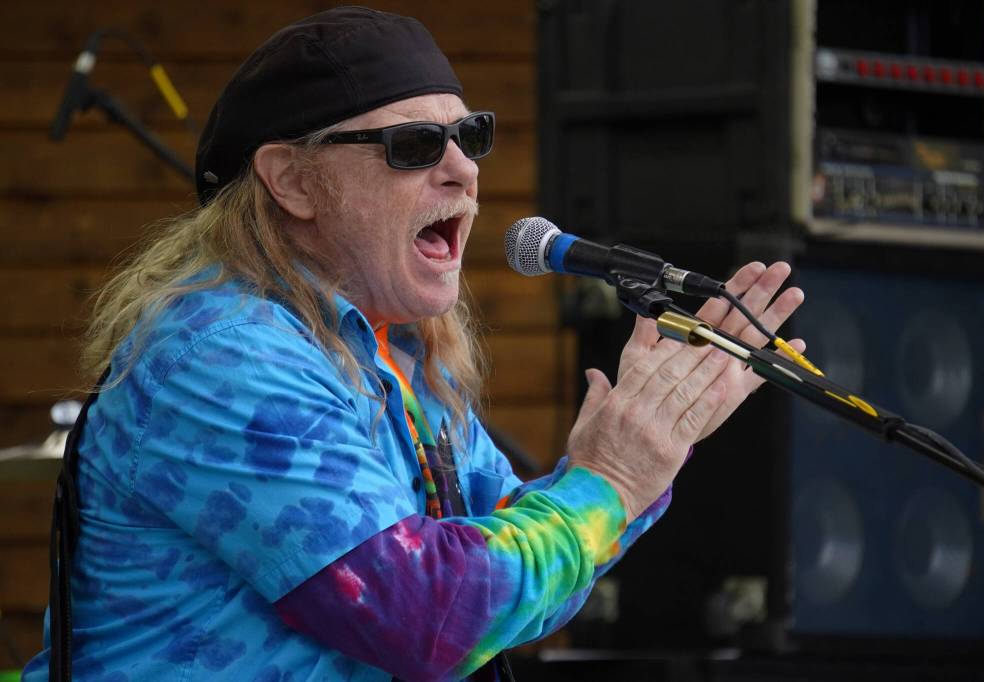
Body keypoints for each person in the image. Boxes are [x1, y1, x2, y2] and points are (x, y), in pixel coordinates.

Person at [23, 6, 804, 682]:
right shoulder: (228, 357)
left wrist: (647, 451)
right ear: (292, 183)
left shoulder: (399, 364)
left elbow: (517, 580)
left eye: (470, 135)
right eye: (413, 146)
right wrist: (613, 479)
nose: (464, 168)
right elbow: (429, 614)